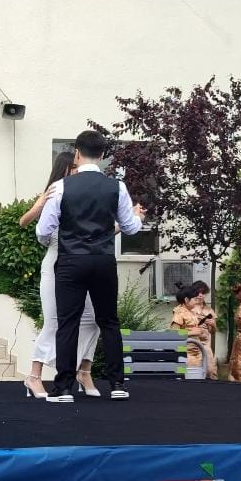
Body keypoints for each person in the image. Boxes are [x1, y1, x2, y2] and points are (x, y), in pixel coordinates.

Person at [36, 130, 145, 403]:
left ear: (77, 153)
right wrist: (137, 218)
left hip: (71, 261)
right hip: (103, 260)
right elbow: (130, 228)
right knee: (108, 321)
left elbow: (43, 230)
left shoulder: (61, 187)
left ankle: (63, 388)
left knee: (68, 323)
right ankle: (117, 384)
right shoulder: (117, 187)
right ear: (103, 155)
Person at [17, 151, 101, 399]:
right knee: (53, 321)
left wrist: (131, 222)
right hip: (57, 262)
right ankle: (34, 376)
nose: (78, 170)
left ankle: (84, 371)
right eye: (74, 167)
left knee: (93, 319)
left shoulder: (84, 196)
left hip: (82, 263)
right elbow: (25, 223)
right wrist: (40, 203)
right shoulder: (55, 192)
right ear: (65, 169)